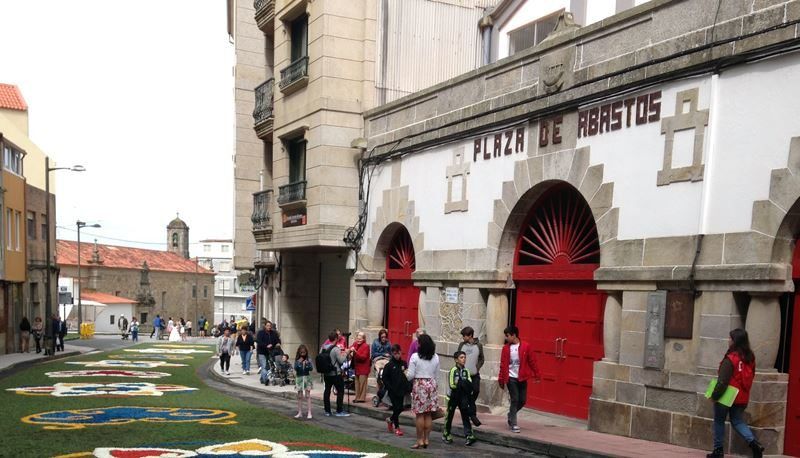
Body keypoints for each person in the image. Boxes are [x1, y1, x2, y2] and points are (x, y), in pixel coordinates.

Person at [707, 328, 764, 458]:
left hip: (726, 396)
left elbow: (722, 381)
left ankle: (718, 451)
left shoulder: (730, 358)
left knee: (719, 421)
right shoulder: (750, 358)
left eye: (730, 338)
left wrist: (714, 396)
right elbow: (751, 375)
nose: (728, 340)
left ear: (735, 341)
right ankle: (754, 444)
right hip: (742, 396)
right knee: (737, 421)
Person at [498, 326, 540, 433]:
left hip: (522, 377)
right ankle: (514, 423)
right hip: (511, 378)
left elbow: (532, 361)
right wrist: (501, 379)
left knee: (522, 400)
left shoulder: (526, 346)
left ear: (514, 335)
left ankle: (511, 414)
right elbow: (503, 365)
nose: (506, 338)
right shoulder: (506, 348)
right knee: (515, 399)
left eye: (507, 336)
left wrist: (537, 374)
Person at [406, 333, 439, 449]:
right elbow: (436, 374)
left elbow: (410, 375)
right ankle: (426, 439)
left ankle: (419, 440)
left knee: (420, 414)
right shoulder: (435, 357)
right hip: (431, 383)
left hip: (420, 384)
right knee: (428, 414)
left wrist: (405, 374)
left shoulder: (415, 357)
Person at [443, 351, 477, 446]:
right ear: (456, 360)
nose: (464, 359)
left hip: (463, 397)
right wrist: (462, 385)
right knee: (449, 416)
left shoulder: (466, 371)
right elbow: (452, 384)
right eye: (461, 357)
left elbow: (469, 384)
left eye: (464, 357)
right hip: (453, 397)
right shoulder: (453, 370)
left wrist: (464, 385)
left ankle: (469, 435)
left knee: (465, 415)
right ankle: (446, 433)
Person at [319, 330, 350, 417]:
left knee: (327, 391)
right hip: (336, 373)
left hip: (326, 373)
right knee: (340, 391)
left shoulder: (323, 348)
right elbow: (341, 360)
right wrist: (346, 353)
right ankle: (339, 410)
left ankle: (327, 411)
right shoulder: (336, 349)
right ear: (336, 338)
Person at [457, 326, 484, 427]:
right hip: (464, 375)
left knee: (476, 391)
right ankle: (472, 415)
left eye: (464, 336)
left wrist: (477, 367)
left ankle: (470, 410)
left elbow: (482, 358)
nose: (463, 338)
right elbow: (457, 357)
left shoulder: (479, 345)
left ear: (470, 336)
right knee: (466, 396)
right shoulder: (461, 345)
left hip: (474, 374)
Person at [381, 344, 409, 437]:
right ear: (392, 354)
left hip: (401, 390)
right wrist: (389, 387)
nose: (397, 355)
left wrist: (408, 387)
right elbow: (384, 378)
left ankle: (390, 419)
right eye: (395, 353)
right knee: (396, 407)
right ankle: (397, 427)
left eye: (398, 353)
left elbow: (406, 376)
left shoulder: (403, 364)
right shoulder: (389, 365)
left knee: (400, 407)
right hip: (393, 391)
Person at [371, 329, 392, 404]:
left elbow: (391, 353)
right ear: (379, 337)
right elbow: (373, 354)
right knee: (379, 377)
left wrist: (389, 356)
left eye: (385, 337)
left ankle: (385, 395)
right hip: (378, 359)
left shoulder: (388, 343)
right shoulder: (375, 342)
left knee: (386, 376)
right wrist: (383, 354)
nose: (384, 338)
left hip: (386, 360)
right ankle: (379, 395)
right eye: (382, 337)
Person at [350, 331, 371, 403]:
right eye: (358, 339)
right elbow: (351, 348)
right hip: (357, 367)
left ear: (364, 339)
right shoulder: (355, 343)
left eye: (360, 339)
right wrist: (349, 350)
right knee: (357, 383)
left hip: (363, 368)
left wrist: (355, 352)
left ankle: (361, 398)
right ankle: (357, 397)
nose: (358, 340)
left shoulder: (366, 346)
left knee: (362, 384)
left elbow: (363, 357)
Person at [294, 344, 314, 419]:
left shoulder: (308, 359)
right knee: (299, 396)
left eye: (304, 353)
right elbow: (295, 368)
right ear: (299, 353)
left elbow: (311, 368)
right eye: (301, 353)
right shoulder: (297, 360)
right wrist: (299, 362)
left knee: (308, 395)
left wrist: (307, 364)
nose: (302, 354)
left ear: (306, 352)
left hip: (307, 377)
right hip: (299, 378)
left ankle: (309, 412)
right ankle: (300, 412)